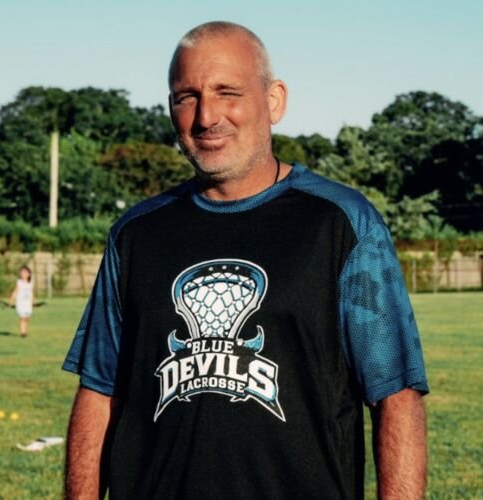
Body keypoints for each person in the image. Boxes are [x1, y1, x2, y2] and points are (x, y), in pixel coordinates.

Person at [63, 21, 429, 499]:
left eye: (227, 92)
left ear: (274, 100)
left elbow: (396, 397)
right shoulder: (135, 234)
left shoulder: (341, 223)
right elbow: (98, 393)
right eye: (186, 97)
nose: (206, 116)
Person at [10, 265, 34, 338]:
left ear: (29, 274)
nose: (24, 274)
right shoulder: (19, 282)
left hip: (27, 303)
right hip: (21, 303)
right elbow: (16, 291)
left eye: (25, 272)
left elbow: (31, 293)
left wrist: (32, 302)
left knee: (27, 318)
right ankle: (23, 332)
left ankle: (25, 330)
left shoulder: (30, 283)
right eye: (22, 272)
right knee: (22, 317)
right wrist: (12, 299)